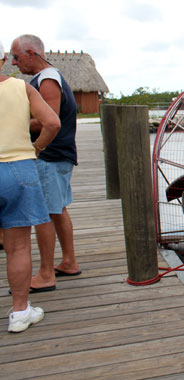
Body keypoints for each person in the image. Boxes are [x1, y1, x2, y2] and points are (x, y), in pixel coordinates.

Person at [11, 35, 80, 292]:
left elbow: (47, 120)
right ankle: (69, 262)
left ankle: (46, 273)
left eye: (17, 57)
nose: (14, 63)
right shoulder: (50, 77)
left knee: (44, 216)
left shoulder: (47, 80)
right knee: (57, 210)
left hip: (50, 156)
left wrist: (14, 123)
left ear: (31, 53)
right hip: (60, 156)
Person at [0, 40, 61, 332]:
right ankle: (20, 312)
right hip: (18, 170)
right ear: (1, 59)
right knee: (18, 246)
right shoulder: (21, 88)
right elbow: (52, 122)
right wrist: (35, 149)